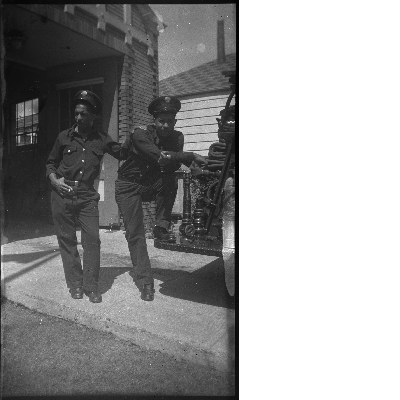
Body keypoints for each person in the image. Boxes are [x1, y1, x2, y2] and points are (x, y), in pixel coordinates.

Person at [115, 96, 206, 301]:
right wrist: (188, 156)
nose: (165, 125)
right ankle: (146, 282)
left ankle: (161, 226)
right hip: (128, 185)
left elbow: (170, 166)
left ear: (175, 121)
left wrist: (190, 164)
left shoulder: (177, 137)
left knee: (170, 180)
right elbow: (160, 157)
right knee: (136, 233)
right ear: (154, 122)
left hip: (151, 183)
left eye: (170, 121)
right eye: (161, 121)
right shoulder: (140, 134)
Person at [46, 90, 132, 303]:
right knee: (67, 240)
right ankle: (75, 285)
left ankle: (91, 286)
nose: (79, 118)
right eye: (76, 113)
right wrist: (55, 180)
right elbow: (50, 163)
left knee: (92, 240)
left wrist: (135, 137)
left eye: (84, 114)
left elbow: (122, 153)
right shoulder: (64, 137)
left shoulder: (101, 138)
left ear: (93, 116)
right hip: (62, 192)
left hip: (86, 196)